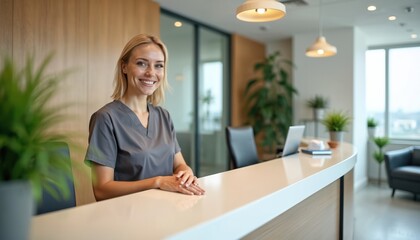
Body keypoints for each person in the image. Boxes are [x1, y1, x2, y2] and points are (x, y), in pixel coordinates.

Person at [85, 34, 205, 201]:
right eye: (142, 63)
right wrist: (157, 182)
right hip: (127, 216)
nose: (151, 73)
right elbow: (102, 189)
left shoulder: (164, 116)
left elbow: (179, 164)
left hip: (167, 209)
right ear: (124, 67)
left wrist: (187, 173)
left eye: (159, 66)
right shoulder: (106, 118)